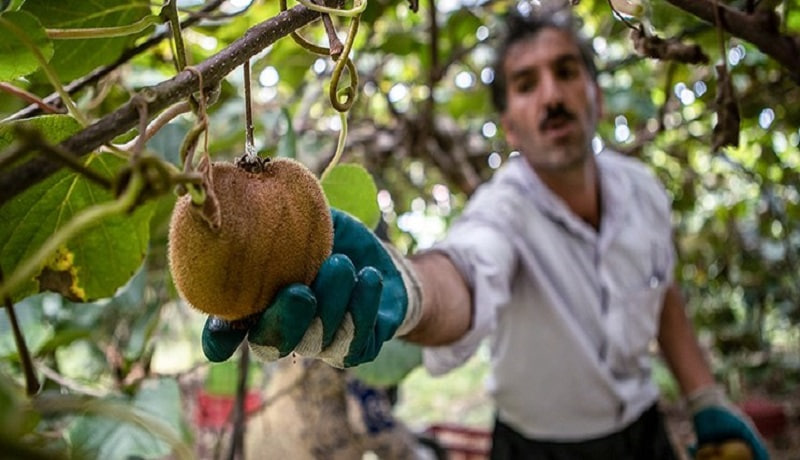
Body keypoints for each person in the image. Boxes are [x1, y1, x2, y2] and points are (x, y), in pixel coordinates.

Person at [200, 6, 769, 460]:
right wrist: (409, 288)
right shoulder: (503, 211)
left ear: (593, 94)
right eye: (526, 84)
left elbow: (660, 289)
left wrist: (706, 399)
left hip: (647, 435)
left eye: (567, 72)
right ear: (510, 125)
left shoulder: (643, 187)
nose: (551, 95)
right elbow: (465, 275)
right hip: (534, 448)